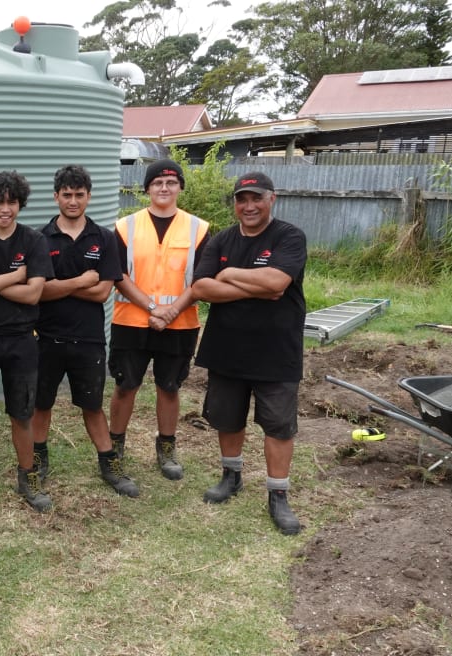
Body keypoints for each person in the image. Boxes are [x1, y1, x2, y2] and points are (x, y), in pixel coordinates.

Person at [191, 171, 307, 535]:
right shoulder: (221, 239)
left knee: (278, 425)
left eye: (256, 198)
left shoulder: (289, 237)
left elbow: (277, 283)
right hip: (227, 348)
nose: (249, 205)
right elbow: (201, 286)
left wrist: (228, 276)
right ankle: (232, 476)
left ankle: (278, 496)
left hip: (276, 350)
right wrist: (250, 285)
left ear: (272, 199)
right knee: (228, 418)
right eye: (242, 199)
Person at [30, 165, 134, 496]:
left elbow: (103, 292)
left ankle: (110, 464)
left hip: (88, 339)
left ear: (88, 196)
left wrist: (60, 284)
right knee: (41, 404)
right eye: (66, 195)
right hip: (46, 336)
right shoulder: (40, 238)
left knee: (92, 406)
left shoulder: (104, 238)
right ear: (56, 196)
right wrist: (81, 280)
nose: (73, 201)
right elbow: (39, 292)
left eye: (79, 195)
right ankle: (37, 461)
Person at [109, 160, 210, 481]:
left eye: (170, 182)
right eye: (157, 183)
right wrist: (154, 308)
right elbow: (119, 276)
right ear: (147, 189)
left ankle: (166, 449)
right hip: (131, 322)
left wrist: (170, 312)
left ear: (180, 187)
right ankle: (115, 447)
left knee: (169, 387)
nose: (164, 188)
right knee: (126, 386)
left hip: (180, 324)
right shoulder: (125, 226)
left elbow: (202, 279)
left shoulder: (199, 228)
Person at [0, 170, 54, 512]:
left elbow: (34, 295)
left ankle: (28, 479)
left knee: (23, 414)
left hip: (22, 340)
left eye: (12, 202)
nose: (6, 209)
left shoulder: (33, 240)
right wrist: (17, 274)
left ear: (20, 204)